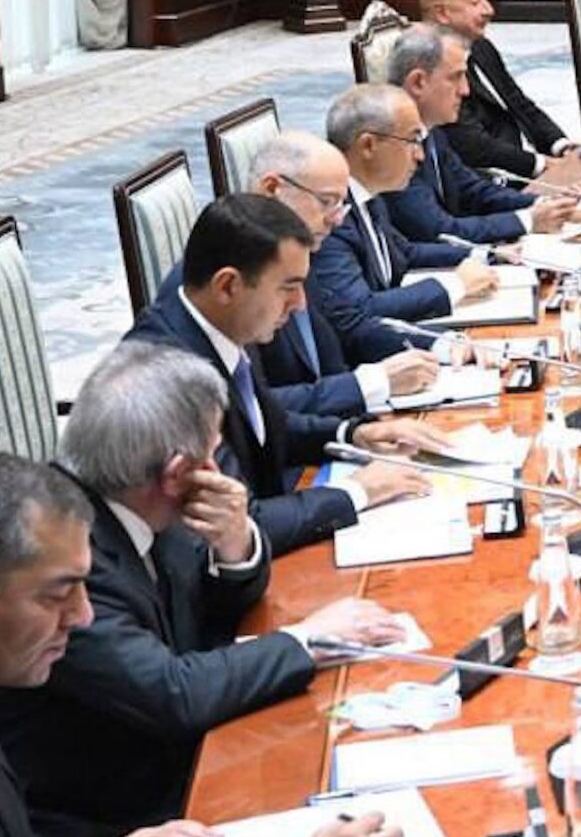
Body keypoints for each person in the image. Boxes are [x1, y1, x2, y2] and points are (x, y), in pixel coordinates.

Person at [0, 345, 408, 837]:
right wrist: (306, 639)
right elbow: (172, 694)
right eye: (216, 453)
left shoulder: (138, 503)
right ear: (180, 472)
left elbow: (208, 606)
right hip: (112, 817)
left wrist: (234, 545)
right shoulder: (66, 555)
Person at [124, 193, 443, 554]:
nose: (300, 304)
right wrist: (357, 491)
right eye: (288, 288)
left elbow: (266, 425)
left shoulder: (223, 324)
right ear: (227, 285)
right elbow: (236, 524)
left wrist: (354, 432)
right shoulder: (169, 380)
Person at [239, 131, 443, 422]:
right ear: (273, 189)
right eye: (326, 202)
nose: (337, 218)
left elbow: (346, 328)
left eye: (340, 204)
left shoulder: (295, 247)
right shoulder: (239, 271)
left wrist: (441, 347)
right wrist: (370, 385)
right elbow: (251, 409)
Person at [307, 85, 499, 361]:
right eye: (411, 140)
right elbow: (359, 310)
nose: (420, 155)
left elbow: (404, 253)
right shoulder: (330, 216)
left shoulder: (368, 193)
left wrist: (487, 256)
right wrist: (455, 285)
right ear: (368, 145)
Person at [379, 26, 576, 246]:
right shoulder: (390, 143)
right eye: (456, 78)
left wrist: (547, 203)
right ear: (418, 82)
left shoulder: (430, 129)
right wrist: (527, 220)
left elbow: (473, 190)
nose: (465, 90)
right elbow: (438, 231)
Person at [417, 0, 570, 177]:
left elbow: (519, 103)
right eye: (475, 2)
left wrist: (561, 146)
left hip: (527, 162)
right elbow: (471, 144)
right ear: (443, 13)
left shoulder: (480, 47)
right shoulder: (429, 65)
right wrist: (541, 165)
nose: (489, 10)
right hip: (490, 179)